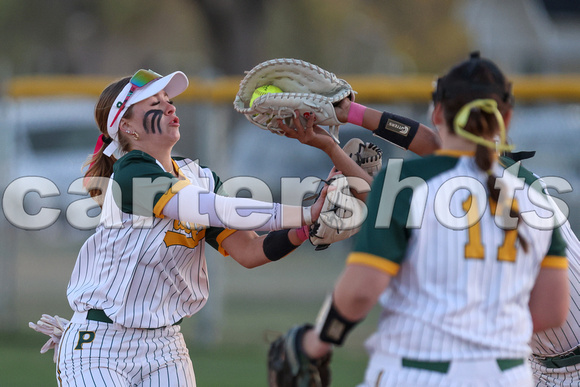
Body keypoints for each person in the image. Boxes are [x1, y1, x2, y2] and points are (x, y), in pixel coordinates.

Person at [53, 68, 374, 387]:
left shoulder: (199, 176)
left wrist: (306, 230)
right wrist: (305, 213)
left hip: (165, 347)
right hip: (99, 345)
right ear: (127, 127)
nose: (169, 106)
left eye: (168, 99)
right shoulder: (131, 174)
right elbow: (207, 208)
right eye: (154, 104)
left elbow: (249, 251)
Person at [292, 52, 570, 386]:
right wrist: (346, 123)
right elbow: (552, 310)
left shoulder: (473, 180)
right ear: (507, 119)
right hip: (516, 367)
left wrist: (315, 344)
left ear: (438, 111)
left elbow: (361, 288)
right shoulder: (529, 190)